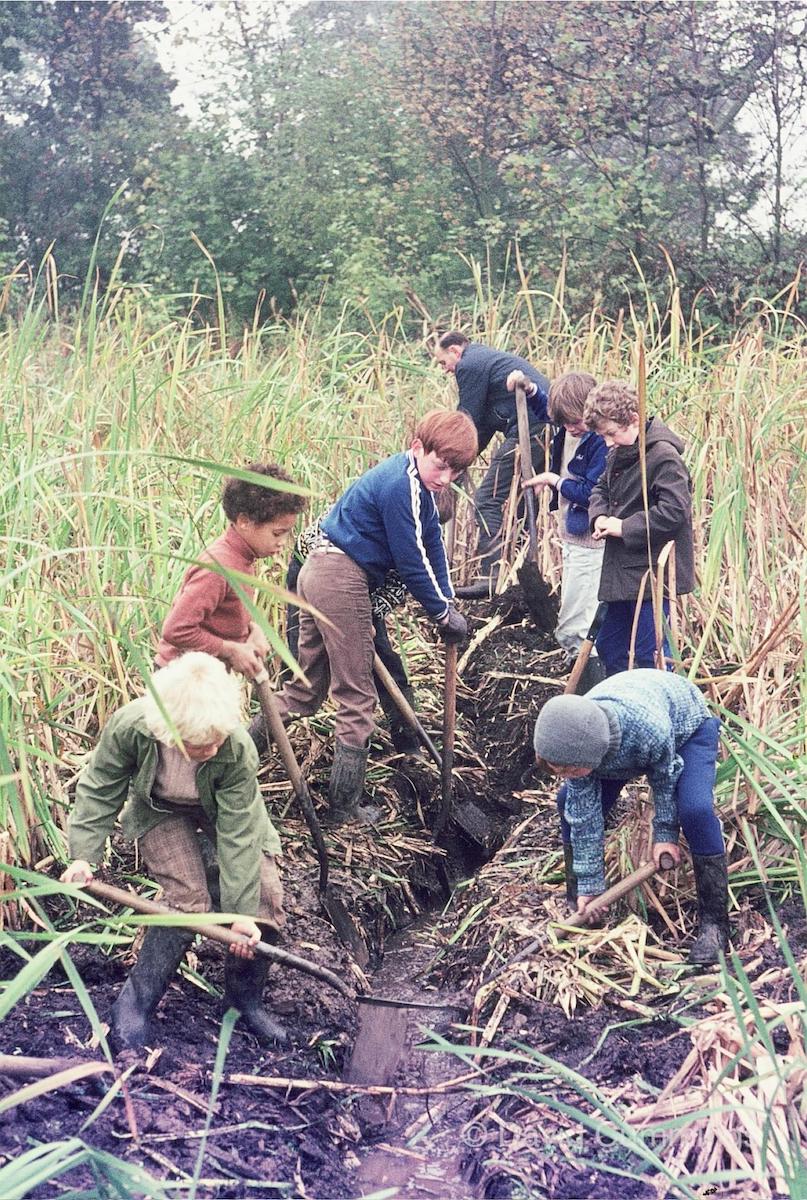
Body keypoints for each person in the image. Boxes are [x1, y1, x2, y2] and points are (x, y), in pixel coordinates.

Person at [253, 409, 478, 824]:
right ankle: (343, 807)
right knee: (356, 698)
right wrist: (442, 615)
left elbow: (432, 548)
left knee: (306, 692)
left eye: (456, 471)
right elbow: (412, 562)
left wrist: (448, 602)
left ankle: (240, 760)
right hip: (339, 577)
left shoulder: (419, 490)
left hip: (320, 573)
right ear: (417, 448)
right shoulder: (402, 484)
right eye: (441, 465)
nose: (446, 478)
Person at [61, 653, 289, 1047]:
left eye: (219, 738)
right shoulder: (132, 728)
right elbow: (101, 786)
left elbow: (238, 833)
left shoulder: (235, 749)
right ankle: (134, 1006)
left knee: (266, 898)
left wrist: (240, 915)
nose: (215, 747)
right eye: (203, 744)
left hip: (222, 810)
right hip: (161, 811)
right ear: (169, 731)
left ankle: (243, 1004)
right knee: (188, 901)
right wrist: (84, 855)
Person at [532, 669, 728, 965]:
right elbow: (584, 818)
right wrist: (590, 887)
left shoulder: (649, 730)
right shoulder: (576, 738)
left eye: (570, 770)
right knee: (567, 801)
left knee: (695, 809)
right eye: (558, 770)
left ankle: (715, 926)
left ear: (590, 755)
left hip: (687, 729)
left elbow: (665, 779)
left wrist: (665, 836)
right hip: (610, 747)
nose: (566, 776)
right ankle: (577, 898)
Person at [279, 486, 456, 758]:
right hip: (310, 569)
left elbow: (395, 588)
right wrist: (348, 620)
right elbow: (325, 564)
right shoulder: (366, 516)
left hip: (360, 587)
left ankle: (408, 744)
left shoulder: (414, 549)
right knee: (299, 664)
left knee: (384, 659)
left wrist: (368, 616)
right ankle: (277, 743)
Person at [583, 381, 695, 676]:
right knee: (610, 645)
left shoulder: (664, 457)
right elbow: (600, 489)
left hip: (651, 576)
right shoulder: (618, 452)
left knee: (652, 655)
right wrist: (599, 517)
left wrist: (623, 527)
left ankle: (657, 713)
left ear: (633, 419)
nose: (607, 442)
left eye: (610, 434)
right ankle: (623, 711)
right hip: (622, 573)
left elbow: (674, 512)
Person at [156, 463, 306, 679]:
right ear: (244, 521)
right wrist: (230, 650)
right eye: (277, 533)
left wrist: (250, 632)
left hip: (205, 675)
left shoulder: (243, 557)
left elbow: (221, 617)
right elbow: (176, 629)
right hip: (180, 679)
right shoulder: (219, 568)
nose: (283, 543)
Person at [434, 332, 550, 598]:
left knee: (487, 500)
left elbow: (466, 420)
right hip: (545, 428)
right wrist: (458, 467)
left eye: (443, 363)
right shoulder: (488, 363)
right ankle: (519, 573)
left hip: (531, 428)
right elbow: (480, 429)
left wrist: (450, 464)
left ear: (455, 350)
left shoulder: (469, 363)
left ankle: (491, 575)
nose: (445, 370)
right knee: (519, 502)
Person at [522, 371, 607, 661]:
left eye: (576, 422)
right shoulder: (569, 426)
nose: (570, 428)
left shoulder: (599, 442)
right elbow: (548, 411)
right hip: (572, 535)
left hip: (589, 540)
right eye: (565, 423)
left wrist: (554, 480)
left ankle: (586, 673)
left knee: (575, 621)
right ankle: (579, 665)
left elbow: (590, 493)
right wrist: (531, 389)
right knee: (575, 610)